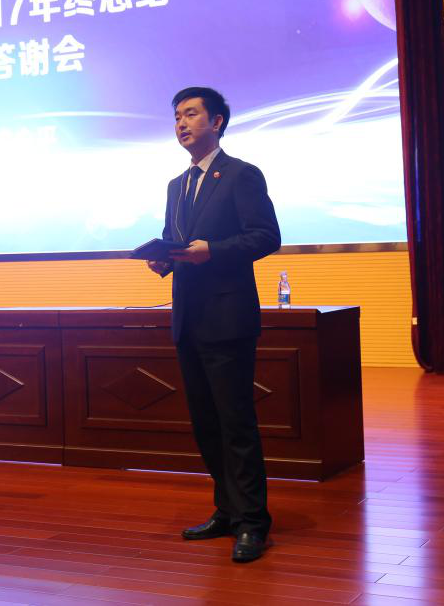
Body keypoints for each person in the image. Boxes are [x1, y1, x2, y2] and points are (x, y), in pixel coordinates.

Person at [147, 86, 281, 563]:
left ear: (217, 121)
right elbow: (178, 240)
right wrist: (166, 258)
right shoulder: (176, 185)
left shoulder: (241, 174)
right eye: (176, 117)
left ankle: (253, 523)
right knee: (206, 423)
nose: (181, 124)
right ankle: (226, 510)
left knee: (235, 422)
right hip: (188, 316)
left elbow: (266, 236)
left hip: (227, 317)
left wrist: (213, 251)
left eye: (190, 114)